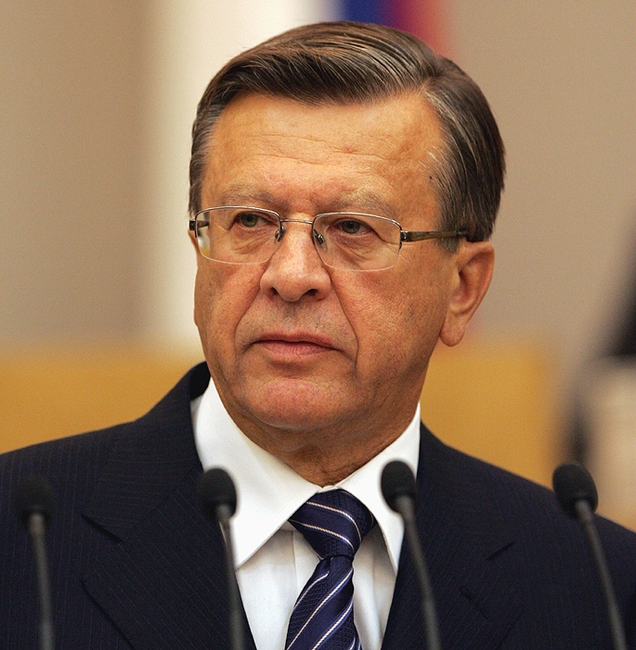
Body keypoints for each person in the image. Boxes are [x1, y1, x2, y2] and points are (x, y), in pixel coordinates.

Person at [1, 20, 635, 650]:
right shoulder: (20, 540)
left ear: (462, 288)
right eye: (249, 221)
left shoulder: (597, 585)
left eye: (354, 227)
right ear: (200, 250)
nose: (291, 275)